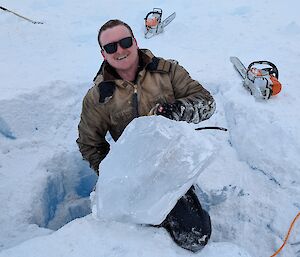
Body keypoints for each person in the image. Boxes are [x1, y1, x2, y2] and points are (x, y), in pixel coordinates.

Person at [76, 19, 216, 251]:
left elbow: (206, 102)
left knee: (194, 236)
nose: (120, 50)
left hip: (172, 163)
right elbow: (89, 143)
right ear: (103, 54)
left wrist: (177, 110)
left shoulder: (167, 71)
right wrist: (113, 173)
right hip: (133, 174)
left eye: (125, 42)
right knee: (130, 237)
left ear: (135, 41)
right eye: (111, 47)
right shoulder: (98, 96)